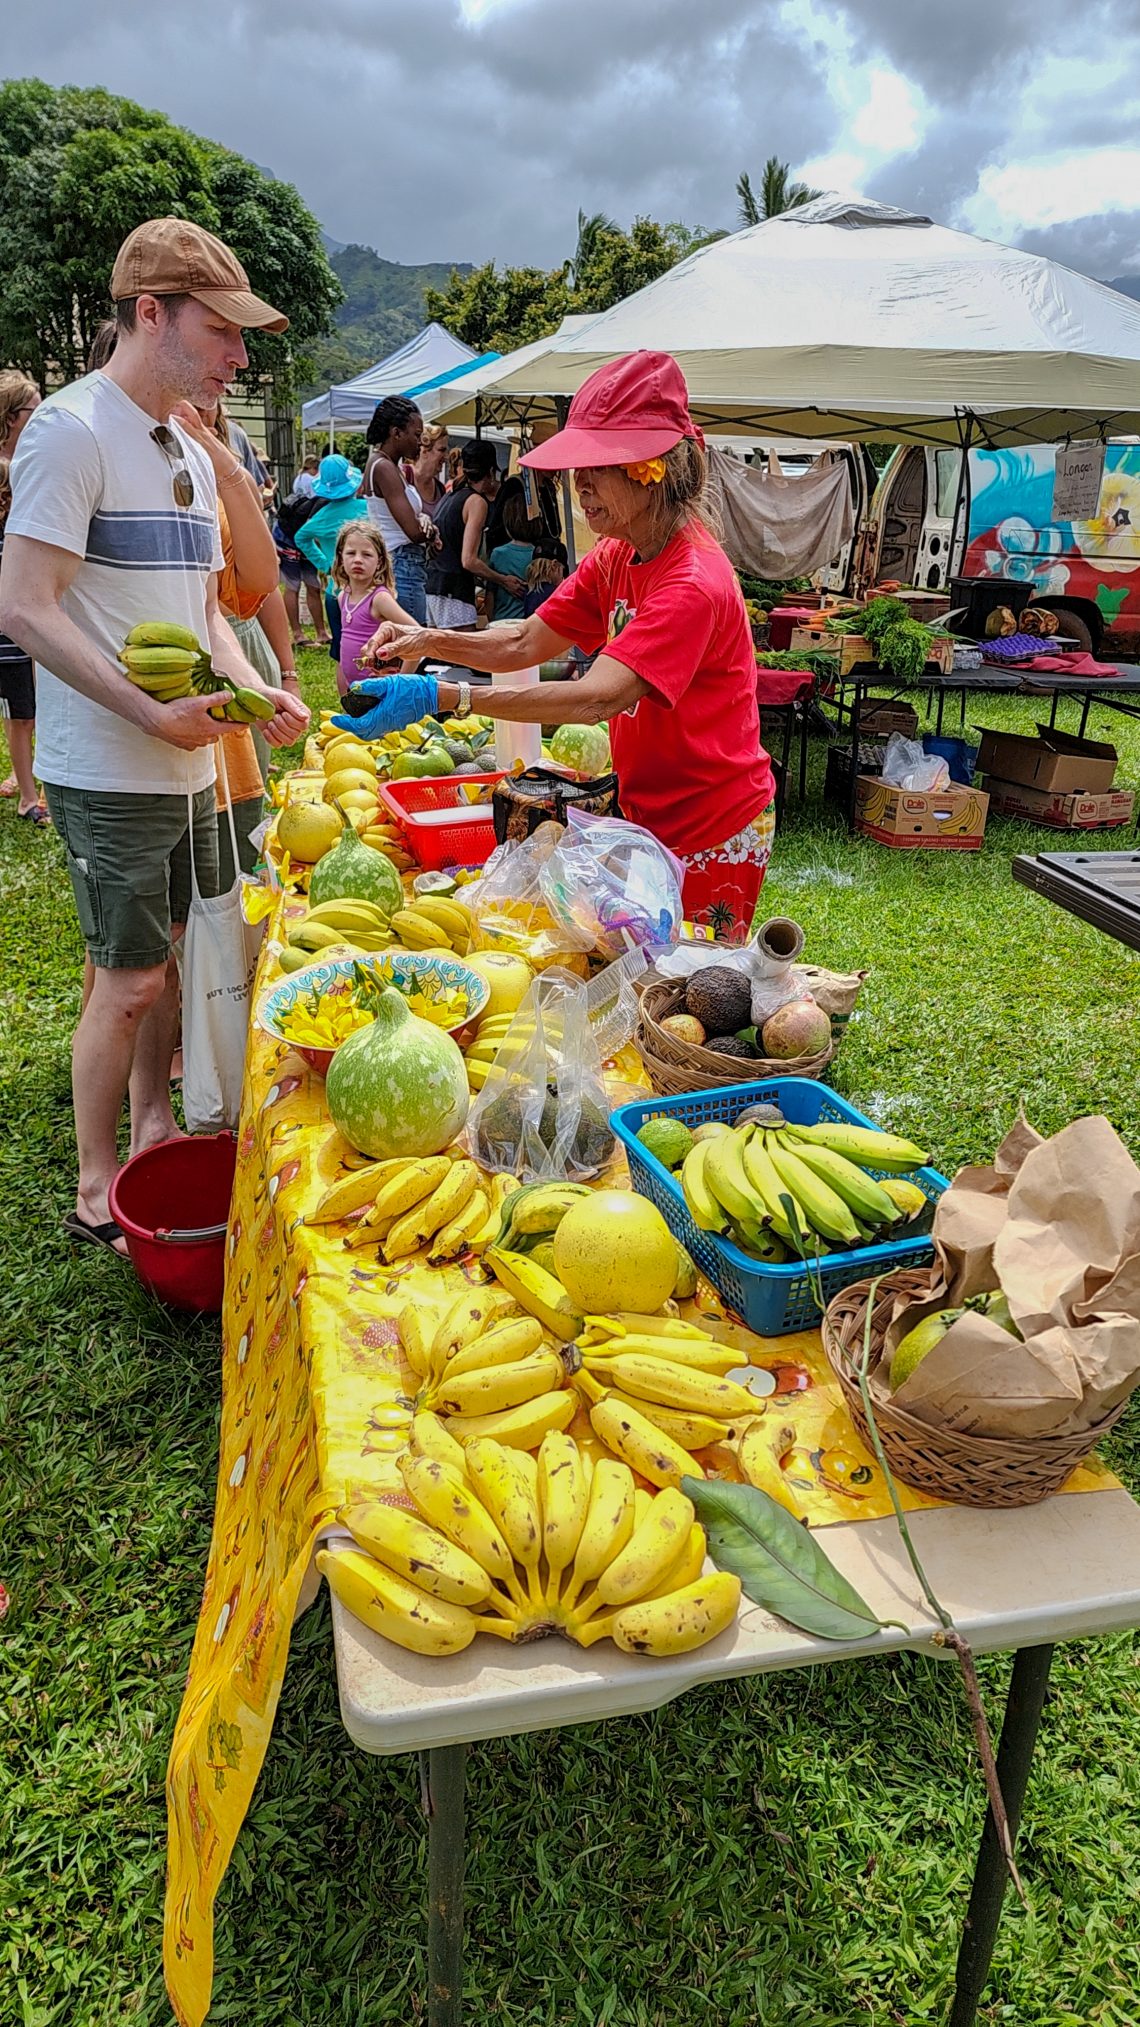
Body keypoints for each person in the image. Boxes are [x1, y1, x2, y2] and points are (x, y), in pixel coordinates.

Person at [0, 215, 309, 1255]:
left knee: (175, 960)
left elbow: (206, 609)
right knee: (126, 977)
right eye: (221, 331)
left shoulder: (182, 445)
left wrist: (258, 689)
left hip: (187, 758)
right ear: (149, 315)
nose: (239, 354)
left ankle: (151, 1126)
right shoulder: (70, 431)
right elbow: (24, 606)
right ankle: (96, 1185)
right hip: (111, 763)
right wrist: (150, 712)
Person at [349, 353, 775, 942]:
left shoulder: (692, 581)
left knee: (690, 994)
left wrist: (445, 696)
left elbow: (594, 700)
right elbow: (524, 639)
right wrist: (426, 639)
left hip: (711, 821)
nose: (579, 485)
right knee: (642, 971)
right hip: (647, 809)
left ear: (650, 469)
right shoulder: (618, 552)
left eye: (596, 466)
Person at [171, 397, 283, 881]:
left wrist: (222, 460)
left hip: (229, 655)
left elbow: (260, 579)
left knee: (223, 869)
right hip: (172, 684)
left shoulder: (209, 465)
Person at [0, 371, 43, 807]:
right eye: (35, 407)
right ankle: (27, 788)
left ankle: (26, 776)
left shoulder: (38, 457)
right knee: (20, 704)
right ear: (12, 417)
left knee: (29, 700)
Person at [425, 440, 523, 630]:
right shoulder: (476, 502)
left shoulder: (449, 496)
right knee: (462, 656)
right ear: (490, 472)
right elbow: (468, 560)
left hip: (433, 587)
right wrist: (502, 580)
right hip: (454, 591)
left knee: (438, 655)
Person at [361, 396, 436, 624]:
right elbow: (413, 531)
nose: (420, 443)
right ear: (396, 433)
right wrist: (432, 532)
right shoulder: (384, 467)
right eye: (416, 435)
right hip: (403, 564)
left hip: (399, 561)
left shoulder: (385, 465)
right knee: (413, 645)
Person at [293, 453, 369, 659]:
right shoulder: (367, 509)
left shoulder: (322, 516)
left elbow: (301, 538)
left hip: (335, 592)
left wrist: (325, 564)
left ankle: (344, 690)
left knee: (341, 651)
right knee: (369, 649)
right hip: (367, 592)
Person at [332, 523, 418, 697]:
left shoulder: (379, 599)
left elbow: (417, 635)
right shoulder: (343, 597)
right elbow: (344, 647)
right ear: (341, 558)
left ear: (379, 562)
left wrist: (400, 682)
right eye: (351, 553)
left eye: (366, 555)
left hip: (380, 691)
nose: (357, 559)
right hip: (353, 690)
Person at [488, 482, 540, 622]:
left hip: (502, 621)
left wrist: (491, 619)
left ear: (507, 523)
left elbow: (490, 593)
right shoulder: (538, 556)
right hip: (530, 622)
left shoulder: (497, 554)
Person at [408, 423, 448, 514]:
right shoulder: (403, 477)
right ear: (424, 451)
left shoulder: (440, 489)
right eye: (441, 450)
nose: (446, 456)